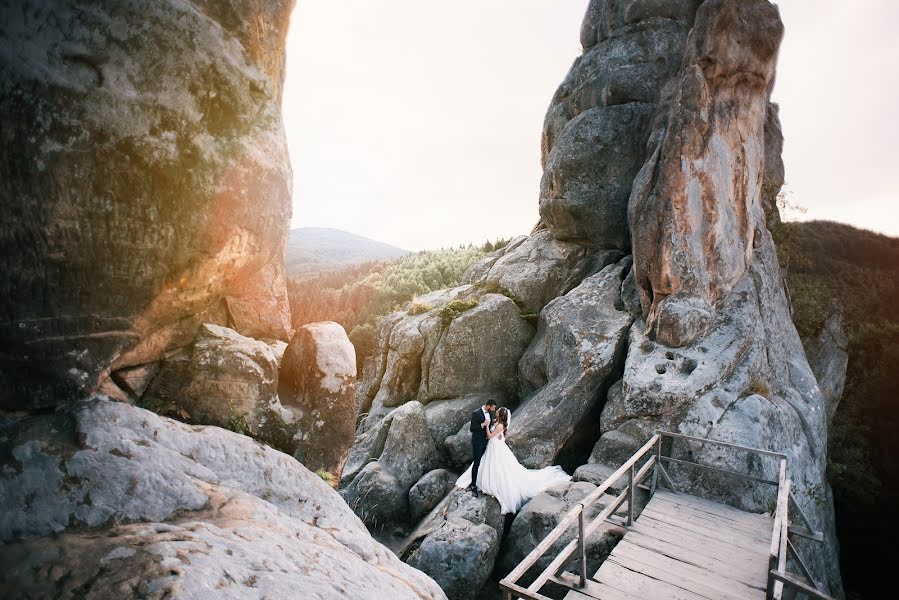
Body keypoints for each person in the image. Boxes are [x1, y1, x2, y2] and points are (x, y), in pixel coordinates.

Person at [456, 407, 571, 514]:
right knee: (488, 463)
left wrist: (486, 427)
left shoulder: (500, 425)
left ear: (501, 415)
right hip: (494, 446)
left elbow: (491, 436)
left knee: (499, 466)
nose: (496, 412)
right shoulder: (497, 422)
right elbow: (500, 435)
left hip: (496, 446)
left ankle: (493, 483)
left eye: (498, 412)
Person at [467, 399, 496, 498]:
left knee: (486, 462)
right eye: (493, 407)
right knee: (477, 462)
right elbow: (472, 428)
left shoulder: (491, 414)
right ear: (488, 406)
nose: (494, 409)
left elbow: (492, 424)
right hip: (478, 442)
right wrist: (482, 425)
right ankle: (473, 486)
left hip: (488, 442)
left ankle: (483, 482)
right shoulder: (476, 413)